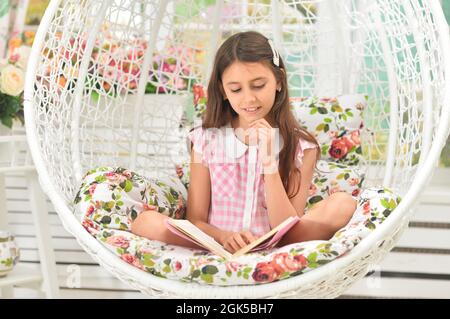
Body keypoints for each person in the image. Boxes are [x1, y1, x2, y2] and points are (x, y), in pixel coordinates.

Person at [131, 31, 357, 253]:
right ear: (223, 90)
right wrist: (225, 237)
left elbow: (288, 227)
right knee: (146, 221)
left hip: (277, 243)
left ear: (278, 82)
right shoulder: (206, 140)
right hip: (218, 244)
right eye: (236, 89)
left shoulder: (302, 147)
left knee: (343, 204)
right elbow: (196, 221)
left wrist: (269, 160)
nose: (249, 98)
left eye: (258, 85)